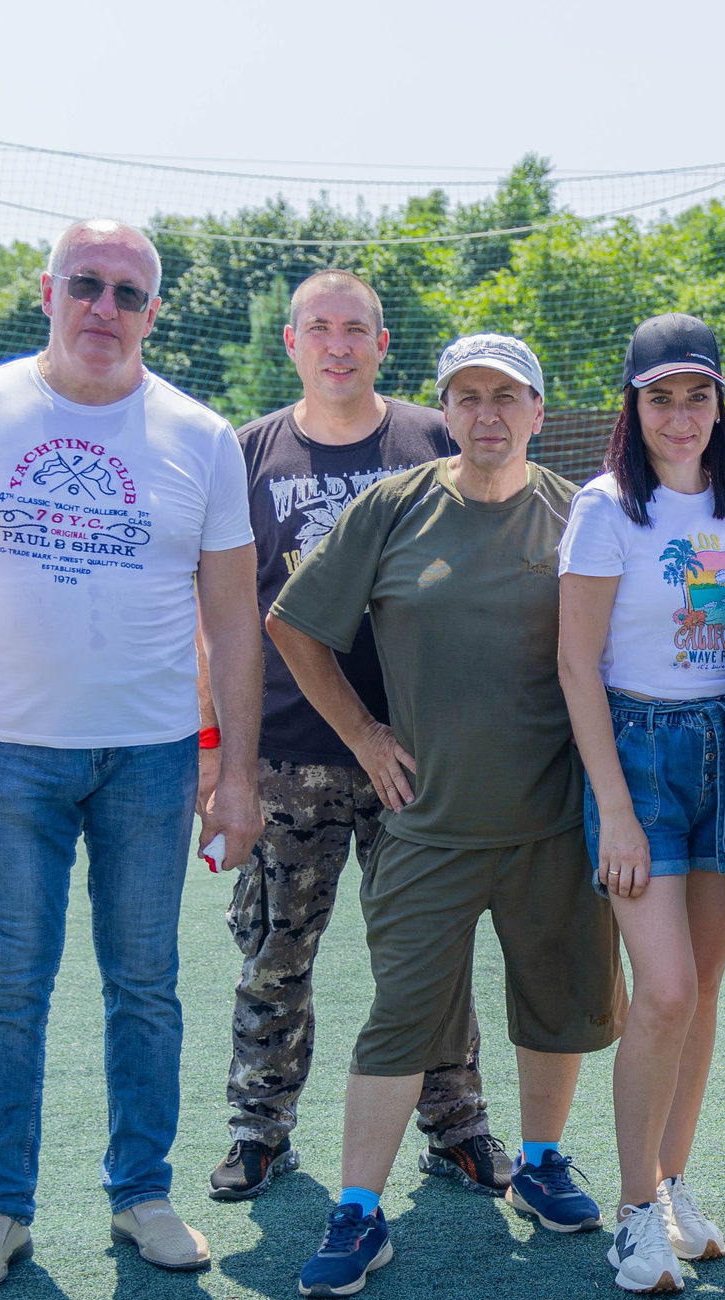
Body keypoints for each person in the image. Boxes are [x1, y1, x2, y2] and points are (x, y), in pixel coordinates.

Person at [0, 219, 265, 1298]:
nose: (104, 308)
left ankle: (139, 1195)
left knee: (145, 986)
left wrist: (234, 770)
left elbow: (236, 620)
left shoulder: (201, 435)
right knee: (8, 991)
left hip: (152, 761)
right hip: (10, 754)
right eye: (86, 285)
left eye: (128, 293)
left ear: (154, 312)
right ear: (49, 292)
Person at [270, 332, 622, 1299]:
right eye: (467, 397)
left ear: (539, 413)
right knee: (400, 1020)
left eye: (507, 397)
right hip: (428, 824)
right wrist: (367, 738)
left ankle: (543, 1163)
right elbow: (294, 627)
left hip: (553, 821)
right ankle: (357, 1212)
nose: (487, 415)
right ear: (445, 412)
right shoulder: (393, 507)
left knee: (555, 1007)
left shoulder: (580, 515)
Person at [201, 268, 504, 1207]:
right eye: (319, 328)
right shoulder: (247, 454)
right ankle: (260, 1130)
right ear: (291, 342)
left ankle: (455, 1124)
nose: (337, 344)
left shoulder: (430, 439)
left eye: (356, 329)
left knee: (429, 952)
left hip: (418, 752)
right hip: (290, 751)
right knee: (274, 949)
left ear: (382, 344)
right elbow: (218, 619)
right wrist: (223, 762)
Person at [557, 314, 725, 1293]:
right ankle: (635, 1210)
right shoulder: (606, 510)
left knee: (706, 992)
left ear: (720, 404)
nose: (680, 417)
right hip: (638, 753)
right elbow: (575, 661)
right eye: (660, 398)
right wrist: (615, 808)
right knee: (667, 990)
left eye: (697, 396)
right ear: (632, 406)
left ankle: (675, 1181)